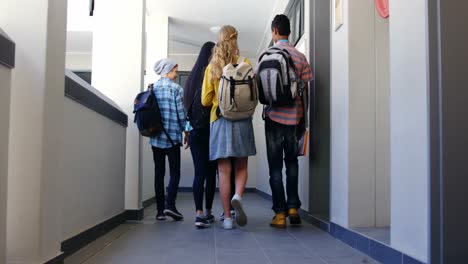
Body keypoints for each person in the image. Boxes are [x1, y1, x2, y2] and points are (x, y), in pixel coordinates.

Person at [201, 25, 257, 230]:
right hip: (242, 120)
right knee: (241, 166)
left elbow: (205, 100)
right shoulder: (246, 63)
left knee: (223, 171)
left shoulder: (212, 67)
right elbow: (253, 93)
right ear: (236, 40)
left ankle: (226, 218)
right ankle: (238, 196)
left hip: (220, 120)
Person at [263, 15, 313, 228]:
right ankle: (293, 208)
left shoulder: (265, 56)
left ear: (275, 31)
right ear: (289, 32)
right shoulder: (300, 57)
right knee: (291, 163)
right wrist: (303, 116)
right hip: (294, 120)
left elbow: (260, 87)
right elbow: (307, 90)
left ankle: (280, 214)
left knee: (275, 167)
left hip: (273, 118)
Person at [150, 58, 190, 221]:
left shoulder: (153, 88)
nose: (176, 73)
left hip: (155, 138)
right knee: (175, 172)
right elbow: (182, 114)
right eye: (174, 70)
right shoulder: (176, 89)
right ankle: (170, 205)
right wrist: (187, 132)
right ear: (167, 71)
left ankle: (160, 211)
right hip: (172, 138)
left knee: (159, 173)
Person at [184, 42, 217, 229]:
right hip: (211, 130)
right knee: (211, 172)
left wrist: (187, 132)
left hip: (195, 133)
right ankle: (209, 211)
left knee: (199, 173)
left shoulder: (191, 78)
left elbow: (187, 111)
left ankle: (198, 214)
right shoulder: (212, 74)